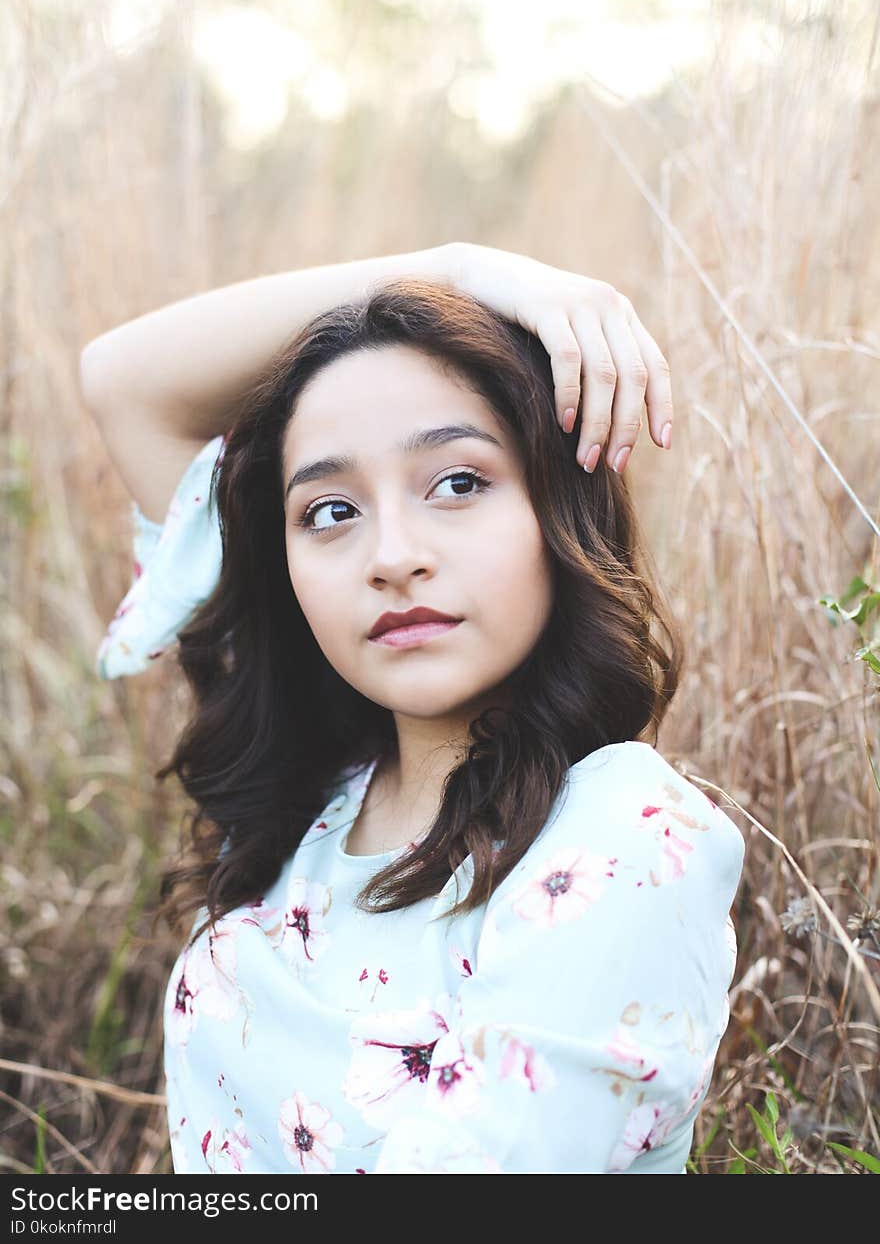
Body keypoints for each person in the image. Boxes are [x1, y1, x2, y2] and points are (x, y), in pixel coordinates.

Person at [81, 242, 744, 1174]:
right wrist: (457, 266)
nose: (392, 554)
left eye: (459, 483)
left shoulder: (622, 838)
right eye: (330, 511)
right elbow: (121, 382)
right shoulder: (307, 805)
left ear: (560, 509)